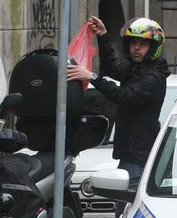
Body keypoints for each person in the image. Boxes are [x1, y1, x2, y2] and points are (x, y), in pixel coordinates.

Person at [65, 16, 170, 182]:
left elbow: (124, 96)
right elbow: (111, 68)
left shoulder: (154, 77)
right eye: (133, 43)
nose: (136, 48)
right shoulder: (136, 68)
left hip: (140, 159)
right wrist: (102, 35)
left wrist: (91, 76)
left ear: (153, 48)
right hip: (130, 155)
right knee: (123, 208)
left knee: (126, 207)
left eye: (143, 44)